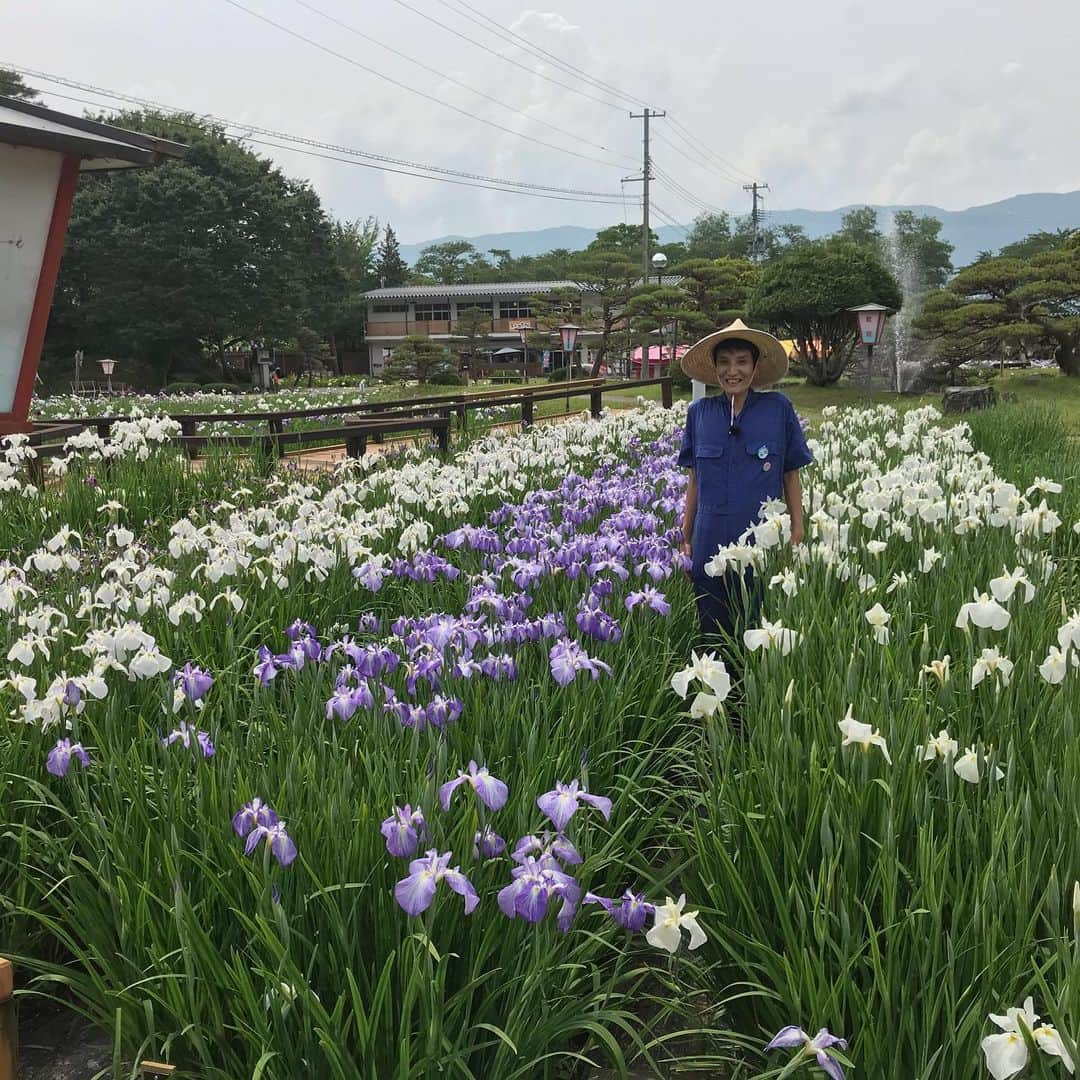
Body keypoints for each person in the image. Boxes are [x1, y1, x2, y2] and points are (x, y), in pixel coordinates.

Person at [677, 319, 813, 654]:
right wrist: (686, 535)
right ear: (714, 368)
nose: (732, 371)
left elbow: (791, 473)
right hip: (710, 536)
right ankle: (720, 702)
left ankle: (753, 702)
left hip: (761, 538)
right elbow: (694, 478)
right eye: (724, 362)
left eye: (741, 361)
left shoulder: (777, 409)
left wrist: (797, 529)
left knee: (759, 627)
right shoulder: (700, 412)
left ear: (755, 366)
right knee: (712, 630)